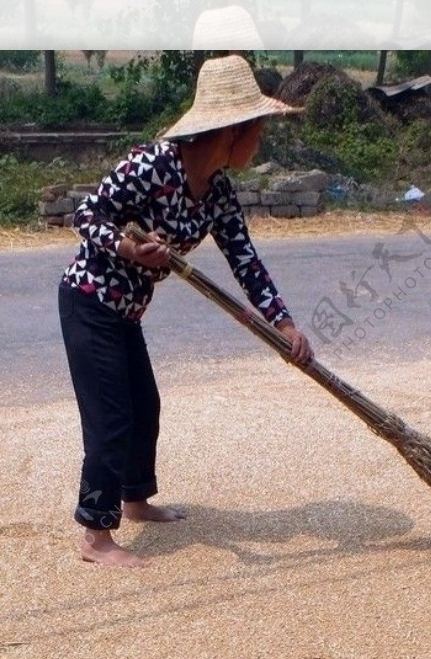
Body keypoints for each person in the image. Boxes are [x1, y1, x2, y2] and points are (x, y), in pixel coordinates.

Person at [58, 54, 314, 568]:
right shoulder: (152, 165)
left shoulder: (217, 193)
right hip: (89, 300)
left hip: (127, 311)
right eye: (257, 131)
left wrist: (283, 323)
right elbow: (85, 214)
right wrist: (129, 250)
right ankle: (95, 537)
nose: (259, 142)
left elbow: (246, 261)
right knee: (111, 418)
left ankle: (135, 500)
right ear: (232, 131)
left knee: (144, 406)